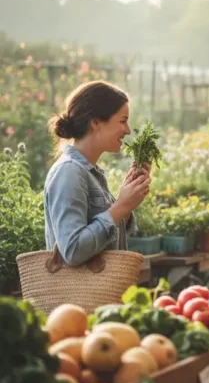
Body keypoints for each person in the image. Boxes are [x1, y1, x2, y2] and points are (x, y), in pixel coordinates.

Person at [45, 81, 150, 266]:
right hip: (76, 295)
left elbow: (104, 241)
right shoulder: (69, 172)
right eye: (123, 121)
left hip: (96, 294)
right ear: (95, 123)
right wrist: (121, 206)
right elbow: (73, 250)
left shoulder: (90, 173)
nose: (128, 130)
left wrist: (127, 199)